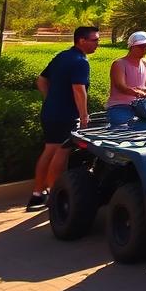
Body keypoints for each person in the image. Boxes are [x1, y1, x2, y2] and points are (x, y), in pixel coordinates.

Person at [29, 26, 97, 211]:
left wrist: (50, 99)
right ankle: (54, 195)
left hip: (50, 112)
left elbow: (41, 80)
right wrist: (84, 116)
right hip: (67, 115)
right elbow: (79, 89)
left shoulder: (62, 56)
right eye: (94, 40)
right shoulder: (80, 61)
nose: (97, 44)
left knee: (49, 150)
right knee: (61, 152)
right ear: (81, 40)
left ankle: (37, 194)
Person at [105, 31, 146, 126]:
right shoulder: (119, 64)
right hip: (121, 105)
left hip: (143, 106)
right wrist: (138, 92)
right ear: (132, 46)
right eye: (141, 46)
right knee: (122, 129)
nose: (144, 49)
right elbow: (120, 86)